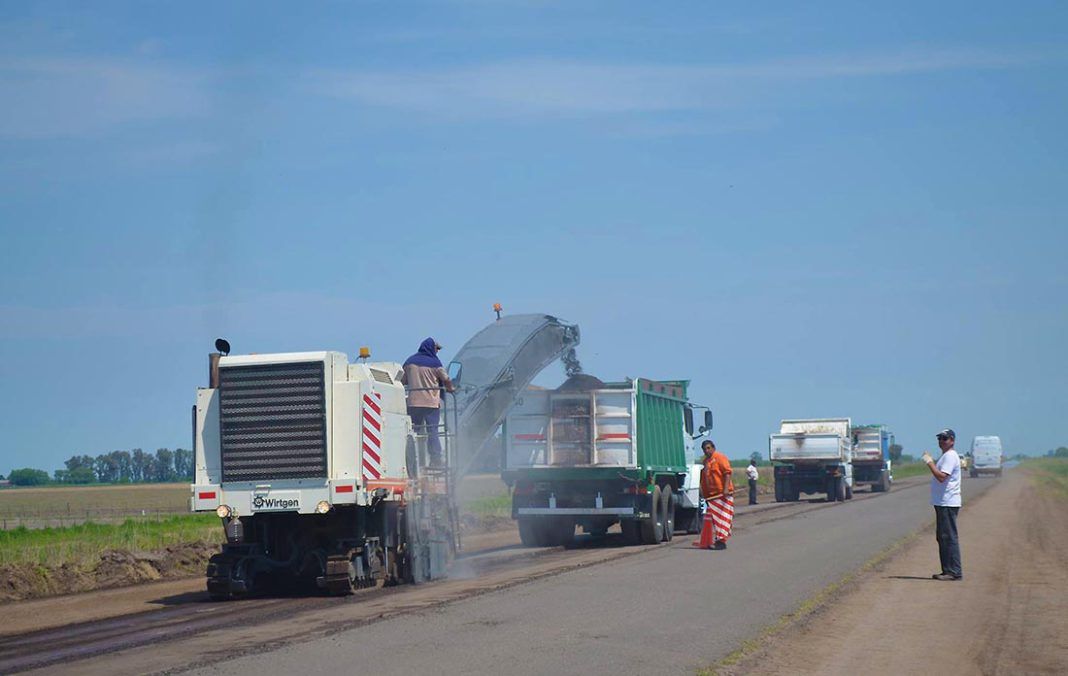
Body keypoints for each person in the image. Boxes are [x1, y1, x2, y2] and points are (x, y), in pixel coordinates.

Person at [399, 337, 455, 467]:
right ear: (431, 348)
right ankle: (435, 459)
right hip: (431, 404)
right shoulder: (435, 364)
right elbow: (446, 379)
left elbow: (402, 381)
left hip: (413, 403)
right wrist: (451, 389)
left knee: (414, 432)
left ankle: (414, 461)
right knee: (433, 431)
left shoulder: (409, 362)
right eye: (437, 349)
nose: (437, 351)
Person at [922, 428, 962, 581]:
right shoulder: (946, 456)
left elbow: (941, 477)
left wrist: (930, 462)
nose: (941, 441)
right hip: (942, 502)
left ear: (952, 440)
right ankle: (947, 570)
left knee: (949, 536)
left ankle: (954, 571)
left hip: (948, 502)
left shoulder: (950, 456)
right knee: (943, 537)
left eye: (944, 438)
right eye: (939, 438)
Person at [694, 440, 734, 550]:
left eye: (708, 448)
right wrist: (703, 493)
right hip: (712, 496)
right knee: (716, 520)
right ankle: (718, 540)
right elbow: (704, 478)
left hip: (723, 495)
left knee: (723, 519)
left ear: (713, 448)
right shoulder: (706, 462)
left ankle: (721, 542)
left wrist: (725, 489)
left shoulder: (720, 458)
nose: (707, 451)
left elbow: (727, 473)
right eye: (704, 449)